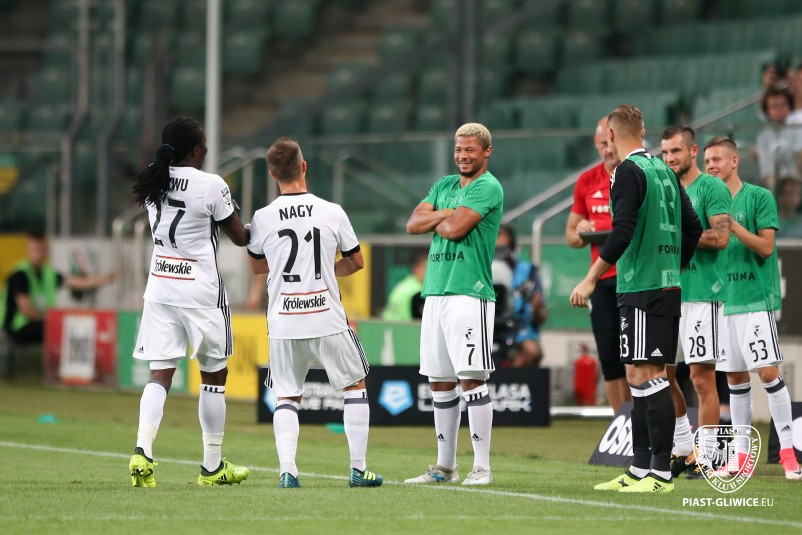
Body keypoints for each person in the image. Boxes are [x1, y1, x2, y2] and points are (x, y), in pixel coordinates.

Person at [570, 105, 702, 494]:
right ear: (642, 132)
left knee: (649, 376)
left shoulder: (627, 171)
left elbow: (623, 229)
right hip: (662, 284)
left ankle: (660, 472)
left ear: (611, 135)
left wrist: (591, 278)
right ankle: (640, 467)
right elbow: (693, 227)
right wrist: (675, 266)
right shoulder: (664, 170)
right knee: (637, 375)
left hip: (641, 286)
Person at [247, 137, 382, 489]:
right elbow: (356, 261)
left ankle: (288, 471)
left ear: (272, 173)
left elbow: (257, 267)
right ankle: (358, 469)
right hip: (326, 315)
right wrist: (322, 270)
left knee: (287, 395)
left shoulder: (262, 217)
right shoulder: (331, 211)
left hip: (283, 320)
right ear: (304, 167)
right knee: (354, 385)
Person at [128, 117, 251, 488]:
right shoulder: (211, 184)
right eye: (205, 143)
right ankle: (212, 467)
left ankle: (142, 450)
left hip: (161, 288)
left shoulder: (152, 177)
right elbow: (240, 237)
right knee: (214, 375)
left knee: (160, 373)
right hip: (200, 293)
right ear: (197, 149)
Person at [404, 123, 503, 486]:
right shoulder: (444, 185)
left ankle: (482, 467)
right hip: (436, 292)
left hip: (469, 293)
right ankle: (445, 468)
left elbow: (455, 230)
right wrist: (449, 212)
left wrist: (442, 217)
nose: (463, 155)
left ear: (486, 152)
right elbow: (413, 224)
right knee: (440, 383)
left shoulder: (488, 186)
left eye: (470, 150)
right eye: (459, 149)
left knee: (471, 380)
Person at [703, 136, 802, 480]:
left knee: (769, 374)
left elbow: (766, 247)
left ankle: (788, 454)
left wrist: (733, 225)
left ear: (734, 161)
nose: (711, 166)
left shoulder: (759, 197)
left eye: (717, 159)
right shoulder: (706, 202)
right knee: (734, 378)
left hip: (755, 299)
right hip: (723, 302)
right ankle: (742, 458)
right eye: (707, 161)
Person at [660, 126, 731, 480]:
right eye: (664, 153)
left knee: (702, 379)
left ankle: (710, 455)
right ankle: (684, 448)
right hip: (668, 294)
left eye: (676, 151)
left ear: (692, 151)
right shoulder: (664, 190)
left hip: (703, 294)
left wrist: (682, 234)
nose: (670, 158)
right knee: (663, 375)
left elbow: (721, 237)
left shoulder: (711, 187)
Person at [565, 117, 631, 413]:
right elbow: (571, 236)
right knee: (609, 358)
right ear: (596, 143)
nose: (608, 150)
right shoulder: (587, 181)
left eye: (611, 143)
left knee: (637, 358)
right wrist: (582, 231)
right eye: (603, 143)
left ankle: (640, 422)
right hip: (601, 281)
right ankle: (621, 423)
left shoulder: (635, 176)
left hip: (633, 277)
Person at [1, 229, 114, 347]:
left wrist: (106, 278)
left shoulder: (48, 273)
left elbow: (77, 282)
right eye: (35, 249)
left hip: (38, 323)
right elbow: (26, 310)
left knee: (67, 326)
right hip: (17, 327)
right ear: (27, 250)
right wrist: (50, 321)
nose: (39, 253)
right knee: (57, 329)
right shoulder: (20, 275)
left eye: (41, 249)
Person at [493, 224, 547, 367]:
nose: (495, 238)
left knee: (531, 351)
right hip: (482, 326)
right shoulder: (477, 267)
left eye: (500, 234)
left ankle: (511, 379)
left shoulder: (528, 271)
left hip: (516, 327)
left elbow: (542, 316)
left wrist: (537, 308)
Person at [756, 84, 802, 192]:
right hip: (777, 188)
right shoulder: (763, 138)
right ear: (767, 111)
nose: (779, 109)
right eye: (774, 106)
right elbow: (766, 172)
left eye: (782, 105)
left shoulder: (797, 128)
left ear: (789, 106)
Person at [381, 252, 427, 321]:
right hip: (402, 325)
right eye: (425, 268)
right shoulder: (417, 291)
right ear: (416, 269)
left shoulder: (405, 283)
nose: (429, 272)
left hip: (386, 323)